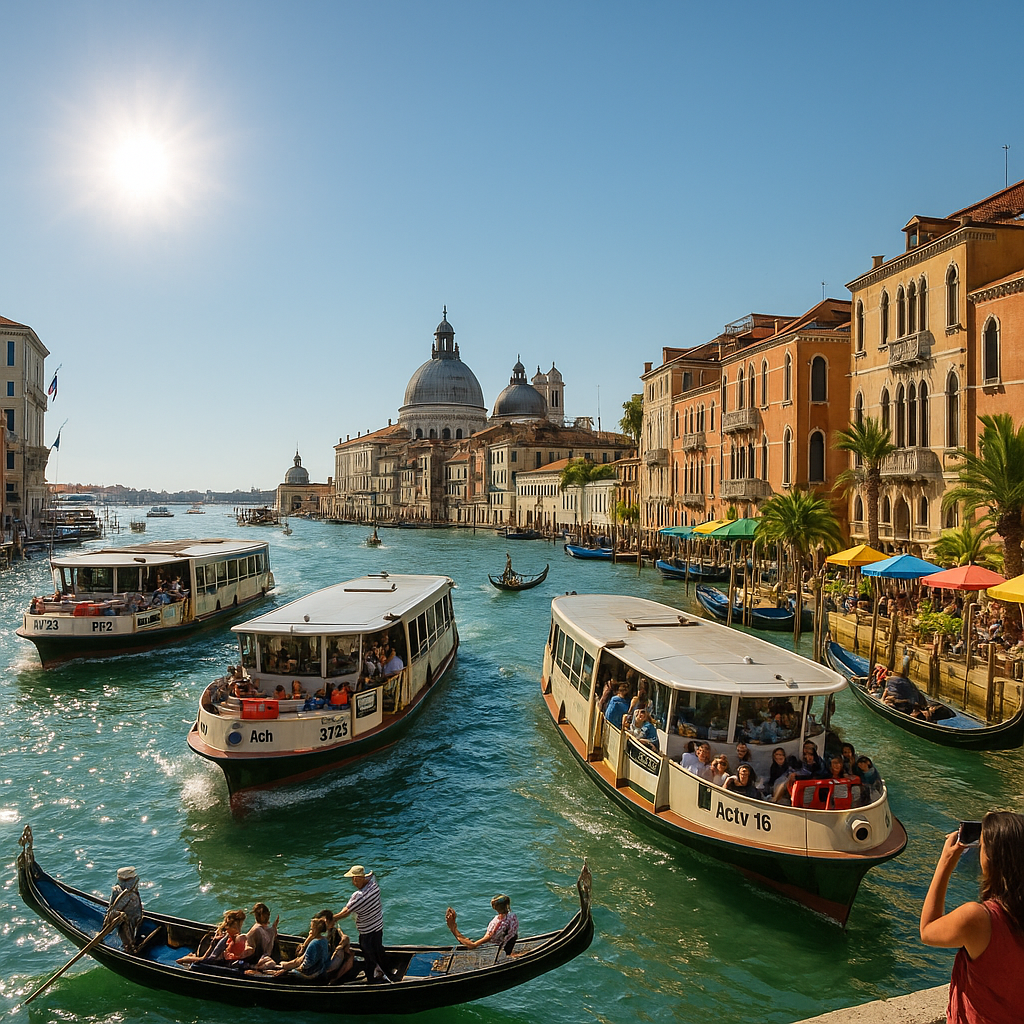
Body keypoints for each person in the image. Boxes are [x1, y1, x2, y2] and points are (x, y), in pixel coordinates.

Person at [920, 811, 1024, 1023]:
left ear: (991, 858)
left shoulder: (978, 919)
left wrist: (946, 861)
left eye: (982, 845)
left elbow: (927, 930)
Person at [336, 865, 389, 983]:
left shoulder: (359, 897)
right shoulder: (373, 884)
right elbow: (371, 874)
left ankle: (372, 979)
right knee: (379, 949)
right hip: (378, 926)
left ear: (357, 878)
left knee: (369, 956)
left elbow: (346, 912)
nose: (352, 882)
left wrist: (333, 919)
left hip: (367, 932)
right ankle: (385, 969)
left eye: (353, 879)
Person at [446, 893, 519, 956]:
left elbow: (473, 946)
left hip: (495, 949)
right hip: (506, 945)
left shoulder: (496, 924)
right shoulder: (513, 916)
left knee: (469, 942)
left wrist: (453, 928)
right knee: (469, 940)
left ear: (494, 907)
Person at [178, 909, 249, 966]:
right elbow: (214, 955)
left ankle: (192, 956)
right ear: (229, 927)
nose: (238, 930)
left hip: (214, 951)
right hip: (212, 955)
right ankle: (181, 960)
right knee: (202, 959)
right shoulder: (224, 937)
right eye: (235, 927)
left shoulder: (230, 933)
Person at [103, 866, 144, 953]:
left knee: (127, 931)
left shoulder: (118, 890)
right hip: (133, 916)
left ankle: (130, 947)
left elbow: (112, 907)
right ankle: (131, 947)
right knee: (130, 930)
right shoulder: (132, 887)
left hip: (129, 917)